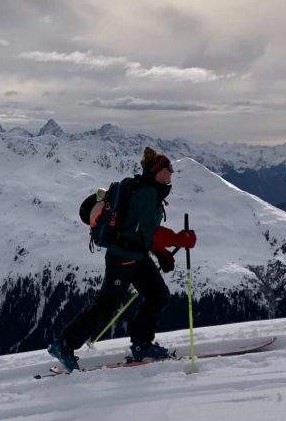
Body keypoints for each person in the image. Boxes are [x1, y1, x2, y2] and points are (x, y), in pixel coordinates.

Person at [48, 147, 197, 372]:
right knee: (106, 305)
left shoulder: (150, 191)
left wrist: (161, 253)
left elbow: (141, 231)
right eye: (169, 168)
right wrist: (178, 240)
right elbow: (150, 232)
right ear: (157, 172)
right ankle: (64, 344)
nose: (172, 173)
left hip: (135, 255)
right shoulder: (147, 193)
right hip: (122, 258)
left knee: (158, 295)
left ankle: (142, 344)